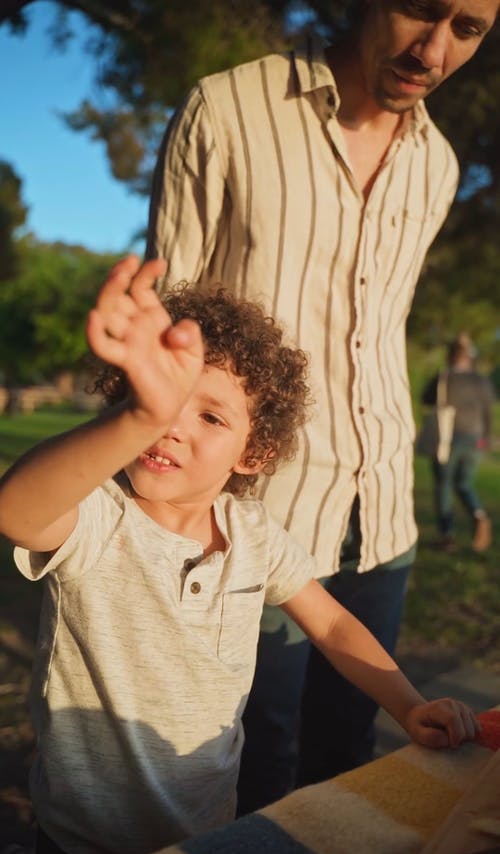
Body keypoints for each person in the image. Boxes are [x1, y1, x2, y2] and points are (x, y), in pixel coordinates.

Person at [0, 256, 479, 854]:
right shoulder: (98, 514)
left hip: (206, 831)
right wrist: (137, 418)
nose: (171, 424)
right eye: (159, 401)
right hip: (83, 847)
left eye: (210, 415)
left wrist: (409, 705)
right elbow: (16, 510)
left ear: (255, 451)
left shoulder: (254, 535)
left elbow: (331, 624)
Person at [145, 0, 499, 810]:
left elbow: (381, 324)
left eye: (469, 29)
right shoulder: (227, 108)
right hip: (253, 512)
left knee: (351, 760)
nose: (434, 48)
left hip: (381, 517)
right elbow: (172, 325)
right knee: (249, 757)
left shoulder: (436, 164)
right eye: (420, 8)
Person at [422, 333, 495, 553]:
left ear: (450, 356)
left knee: (444, 485)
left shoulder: (444, 377)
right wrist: (486, 439)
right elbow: (487, 413)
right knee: (464, 483)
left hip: (448, 439)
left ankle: (447, 536)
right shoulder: (481, 380)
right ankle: (478, 514)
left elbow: (425, 398)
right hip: (475, 439)